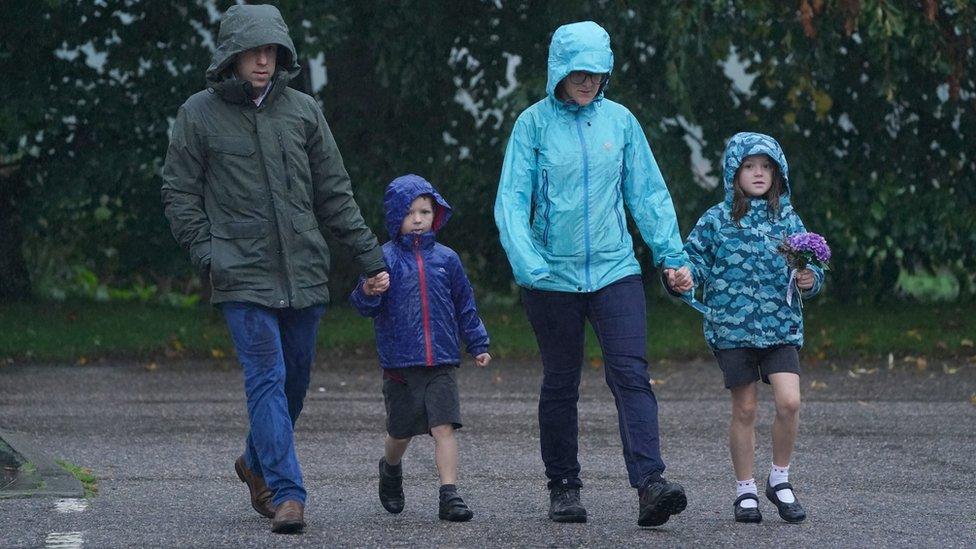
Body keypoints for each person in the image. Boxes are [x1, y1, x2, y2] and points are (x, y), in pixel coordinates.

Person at [160, 4, 389, 534]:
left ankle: (252, 462)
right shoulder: (198, 113)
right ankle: (288, 495)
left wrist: (369, 255)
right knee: (266, 377)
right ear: (232, 56)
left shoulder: (304, 110)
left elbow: (334, 192)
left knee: (296, 383)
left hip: (304, 269)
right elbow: (178, 192)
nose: (263, 61)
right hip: (240, 272)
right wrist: (207, 252)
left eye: (272, 52)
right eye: (253, 51)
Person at [494, 21, 692, 527]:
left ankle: (650, 485)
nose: (588, 82)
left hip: (615, 270)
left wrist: (671, 255)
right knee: (561, 382)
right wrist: (530, 264)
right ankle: (563, 488)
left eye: (597, 73)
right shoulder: (532, 125)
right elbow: (512, 202)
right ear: (559, 70)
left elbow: (647, 193)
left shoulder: (621, 122)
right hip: (550, 278)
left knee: (631, 374)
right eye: (579, 72)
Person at [683, 132, 824, 524]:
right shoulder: (716, 220)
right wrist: (682, 277)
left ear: (778, 173)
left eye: (766, 166)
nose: (758, 173)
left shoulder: (789, 219)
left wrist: (810, 279)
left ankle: (779, 479)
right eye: (749, 166)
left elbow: (811, 265)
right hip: (732, 329)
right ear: (734, 172)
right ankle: (745, 489)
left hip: (780, 327)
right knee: (744, 409)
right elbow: (693, 261)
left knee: (789, 402)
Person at [350, 174, 491, 522]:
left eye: (425, 212)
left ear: (435, 215)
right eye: (409, 212)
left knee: (444, 427)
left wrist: (477, 342)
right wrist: (369, 289)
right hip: (400, 362)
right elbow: (363, 304)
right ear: (395, 216)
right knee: (400, 433)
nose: (417, 219)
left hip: (441, 360)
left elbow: (465, 304)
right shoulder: (383, 259)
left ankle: (449, 494)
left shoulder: (448, 259)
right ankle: (391, 468)